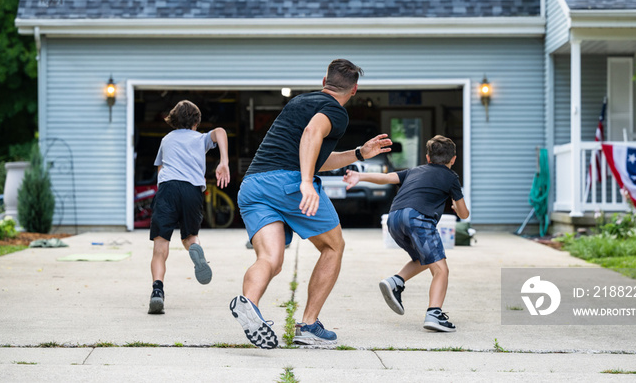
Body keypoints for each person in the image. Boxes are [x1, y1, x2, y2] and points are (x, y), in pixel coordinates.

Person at [230, 59, 392, 349]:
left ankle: (250, 306)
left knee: (270, 259)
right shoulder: (335, 111)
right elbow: (312, 135)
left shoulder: (298, 102)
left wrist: (359, 153)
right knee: (333, 246)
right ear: (354, 90)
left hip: (254, 185)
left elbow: (316, 154)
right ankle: (308, 326)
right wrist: (306, 181)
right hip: (288, 184)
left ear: (323, 81)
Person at [342, 135, 469, 332]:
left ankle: (395, 281)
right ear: (453, 159)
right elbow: (463, 213)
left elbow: (387, 177)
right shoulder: (451, 177)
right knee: (441, 269)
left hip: (394, 218)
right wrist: (454, 204)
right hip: (418, 219)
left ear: (427, 158)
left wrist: (360, 176)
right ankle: (434, 314)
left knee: (424, 258)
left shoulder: (414, 171)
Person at [148, 100, 230, 315]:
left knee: (160, 245)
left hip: (167, 189)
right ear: (196, 122)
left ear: (173, 120)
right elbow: (220, 131)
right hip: (192, 190)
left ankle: (157, 291)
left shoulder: (166, 140)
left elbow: (160, 168)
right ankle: (195, 249)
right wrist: (224, 161)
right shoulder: (200, 138)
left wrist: (164, 190)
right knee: (190, 236)